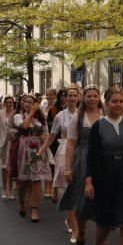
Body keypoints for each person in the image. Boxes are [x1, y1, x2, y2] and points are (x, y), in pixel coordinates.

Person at [84, 88, 123, 245]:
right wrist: (88, 181)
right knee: (106, 222)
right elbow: (92, 156)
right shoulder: (98, 126)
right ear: (107, 103)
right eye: (114, 101)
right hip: (105, 175)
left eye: (122, 101)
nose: (119, 105)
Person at [59, 85, 104, 245]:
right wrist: (68, 167)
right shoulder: (78, 117)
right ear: (83, 98)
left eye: (95, 96)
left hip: (103, 160)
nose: (92, 99)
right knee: (80, 199)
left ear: (99, 98)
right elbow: (71, 144)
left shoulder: (105, 116)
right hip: (83, 159)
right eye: (89, 96)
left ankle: (101, 244)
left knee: (102, 200)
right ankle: (82, 229)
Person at [39, 85, 80, 237]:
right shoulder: (59, 116)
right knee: (65, 186)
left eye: (75, 96)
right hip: (63, 150)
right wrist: (40, 152)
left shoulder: (82, 114)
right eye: (70, 96)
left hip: (79, 151)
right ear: (65, 97)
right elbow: (51, 137)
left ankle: (74, 219)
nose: (72, 98)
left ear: (78, 97)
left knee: (78, 186)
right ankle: (71, 219)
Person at [12, 94, 50, 223]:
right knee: (23, 181)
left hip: (38, 149)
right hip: (24, 149)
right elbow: (24, 126)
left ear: (35, 103)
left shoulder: (41, 117)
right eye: (25, 102)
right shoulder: (18, 116)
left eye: (30, 102)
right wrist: (31, 113)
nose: (27, 104)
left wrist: (46, 136)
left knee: (37, 180)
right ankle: (22, 202)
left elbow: (46, 132)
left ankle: (35, 209)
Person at [0, 96, 18, 196]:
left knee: (12, 168)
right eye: (7, 102)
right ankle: (4, 189)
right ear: (4, 103)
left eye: (11, 102)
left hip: (14, 142)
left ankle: (10, 189)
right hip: (3, 142)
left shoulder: (16, 113)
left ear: (13, 103)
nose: (9, 104)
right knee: (4, 168)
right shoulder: (0, 113)